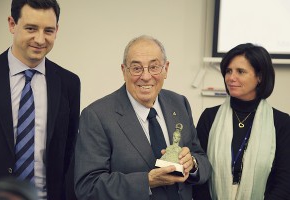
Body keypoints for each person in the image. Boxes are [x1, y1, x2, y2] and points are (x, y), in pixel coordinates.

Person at [75, 35, 211, 200]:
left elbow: (202, 159)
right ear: (124, 71)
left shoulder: (179, 103)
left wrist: (193, 164)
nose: (146, 76)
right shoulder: (97, 115)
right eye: (137, 68)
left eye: (154, 67)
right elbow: (88, 187)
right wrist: (148, 181)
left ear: (166, 69)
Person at [0, 0, 80, 199]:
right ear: (12, 24)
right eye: (31, 28)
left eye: (48, 30)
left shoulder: (69, 83)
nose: (40, 39)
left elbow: (69, 152)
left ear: (57, 30)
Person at [192, 43, 290, 200]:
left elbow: (285, 183)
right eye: (228, 71)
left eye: (240, 72)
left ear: (260, 77)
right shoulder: (209, 117)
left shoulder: (282, 123)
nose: (231, 77)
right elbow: (200, 172)